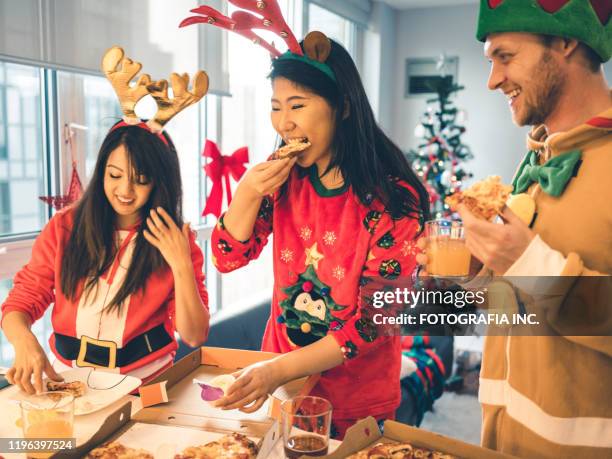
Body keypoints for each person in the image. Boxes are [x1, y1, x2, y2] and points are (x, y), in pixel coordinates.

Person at [208, 31, 430, 437]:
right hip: (284, 392)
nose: (284, 122)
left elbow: (372, 321)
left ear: (342, 107)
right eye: (276, 107)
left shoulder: (395, 199)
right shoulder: (283, 179)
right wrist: (247, 192)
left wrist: (275, 369)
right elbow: (227, 257)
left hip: (356, 402)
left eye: (297, 105)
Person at [418, 1, 611, 456]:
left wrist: (532, 266)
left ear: (565, 41)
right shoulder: (537, 160)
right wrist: (477, 272)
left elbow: (544, 280)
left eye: (505, 57)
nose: (491, 80)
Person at [1, 47, 210, 394]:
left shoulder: (175, 237)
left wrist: (180, 264)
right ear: (101, 172)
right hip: (69, 382)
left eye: (140, 180)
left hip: (148, 384)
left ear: (160, 182)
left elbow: (194, 334)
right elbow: (21, 301)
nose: (124, 190)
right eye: (114, 175)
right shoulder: (64, 228)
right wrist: (24, 343)